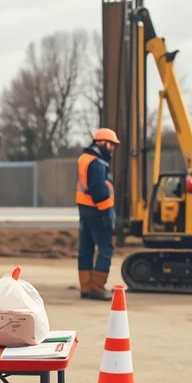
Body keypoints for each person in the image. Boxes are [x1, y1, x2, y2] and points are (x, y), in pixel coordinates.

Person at [76, 128, 120, 301]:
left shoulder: (85, 159)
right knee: (105, 248)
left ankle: (86, 288)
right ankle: (97, 288)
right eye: (112, 145)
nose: (112, 149)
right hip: (98, 211)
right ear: (102, 143)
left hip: (86, 211)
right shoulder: (97, 163)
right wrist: (106, 214)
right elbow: (99, 191)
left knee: (85, 249)